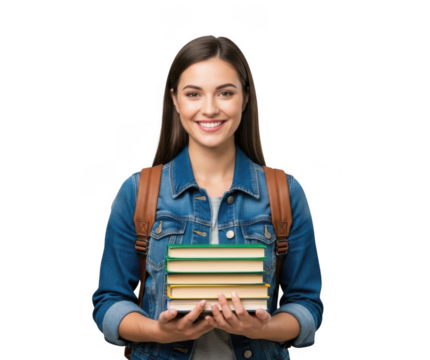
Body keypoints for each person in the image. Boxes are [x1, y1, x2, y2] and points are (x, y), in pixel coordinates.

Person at [92, 35, 323, 359]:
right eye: (193, 94)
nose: (210, 108)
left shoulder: (285, 192)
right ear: (175, 100)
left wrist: (260, 329)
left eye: (225, 93)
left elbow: (307, 306)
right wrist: (158, 331)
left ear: (244, 98)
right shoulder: (137, 191)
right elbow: (109, 304)